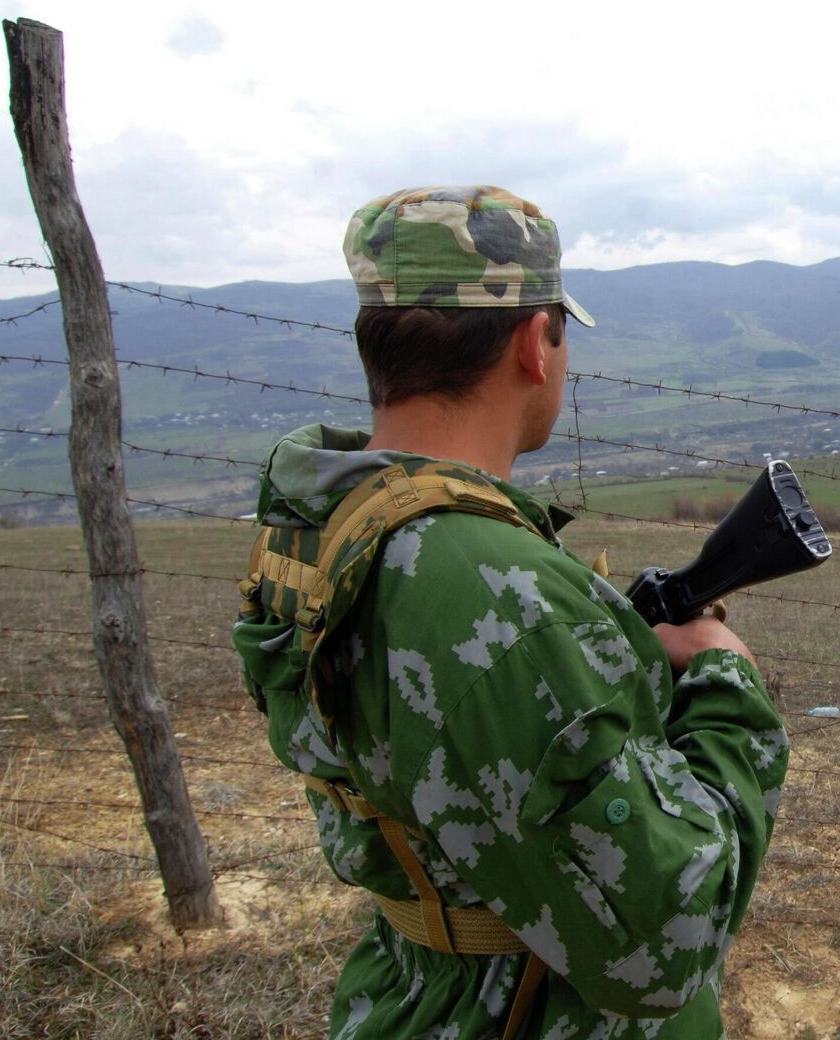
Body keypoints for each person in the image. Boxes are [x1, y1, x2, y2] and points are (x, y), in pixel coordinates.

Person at [233, 185, 788, 1038]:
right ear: (537, 343)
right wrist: (727, 685)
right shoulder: (494, 593)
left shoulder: (319, 525)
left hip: (415, 989)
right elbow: (669, 943)